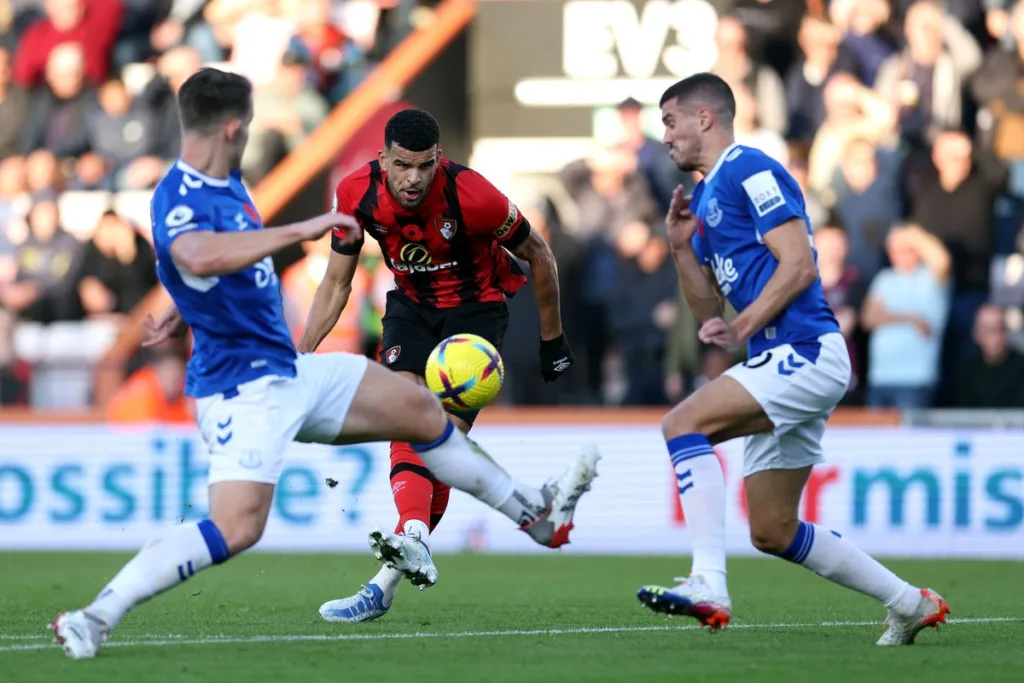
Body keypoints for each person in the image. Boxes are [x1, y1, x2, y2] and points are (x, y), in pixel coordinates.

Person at [49, 68, 600, 660]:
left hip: (289, 370)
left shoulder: (230, 186)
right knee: (238, 528)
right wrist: (300, 229)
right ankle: (95, 616)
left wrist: (184, 309)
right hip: (241, 390)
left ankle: (535, 516)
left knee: (418, 408)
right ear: (233, 126)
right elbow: (196, 254)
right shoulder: (181, 194)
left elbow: (210, 273)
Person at [635, 73, 949, 646]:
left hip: (804, 349)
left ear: (705, 118)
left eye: (670, 121)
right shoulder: (705, 198)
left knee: (682, 424)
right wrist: (682, 246)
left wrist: (744, 326)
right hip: (780, 357)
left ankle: (708, 581)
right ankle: (910, 603)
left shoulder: (749, 169)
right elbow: (706, 301)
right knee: (773, 530)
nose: (667, 136)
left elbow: (799, 264)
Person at [300, 108, 576, 623]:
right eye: (403, 165)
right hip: (410, 308)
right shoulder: (356, 193)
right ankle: (404, 557)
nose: (413, 178)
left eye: (424, 166)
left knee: (434, 429)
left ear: (438, 158)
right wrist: (301, 355)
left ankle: (394, 568)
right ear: (383, 158)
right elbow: (337, 282)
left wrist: (552, 338)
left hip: (476, 312)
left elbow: (539, 254)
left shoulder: (474, 195)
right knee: (409, 418)